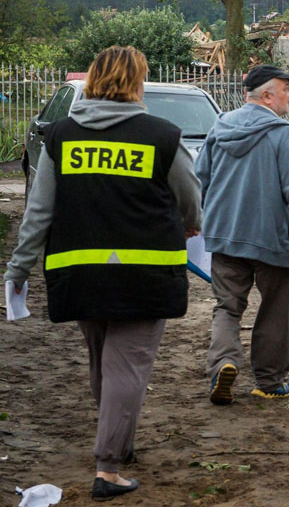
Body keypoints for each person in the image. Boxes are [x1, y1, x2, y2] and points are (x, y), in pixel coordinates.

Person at [4, 46, 202, 501]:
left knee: (103, 363)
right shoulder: (163, 135)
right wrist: (192, 223)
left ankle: (119, 443)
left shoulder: (59, 137)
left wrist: (18, 267)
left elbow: (39, 211)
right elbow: (190, 196)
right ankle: (109, 467)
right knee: (126, 366)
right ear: (136, 82)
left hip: (80, 271)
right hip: (145, 273)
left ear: (92, 79)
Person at [198, 65, 289, 405]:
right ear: (266, 96)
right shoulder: (284, 136)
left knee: (227, 307)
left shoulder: (220, 127)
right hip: (274, 239)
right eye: (286, 89)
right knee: (275, 309)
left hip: (226, 235)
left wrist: (205, 219)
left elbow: (200, 177)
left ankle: (224, 363)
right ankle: (270, 382)